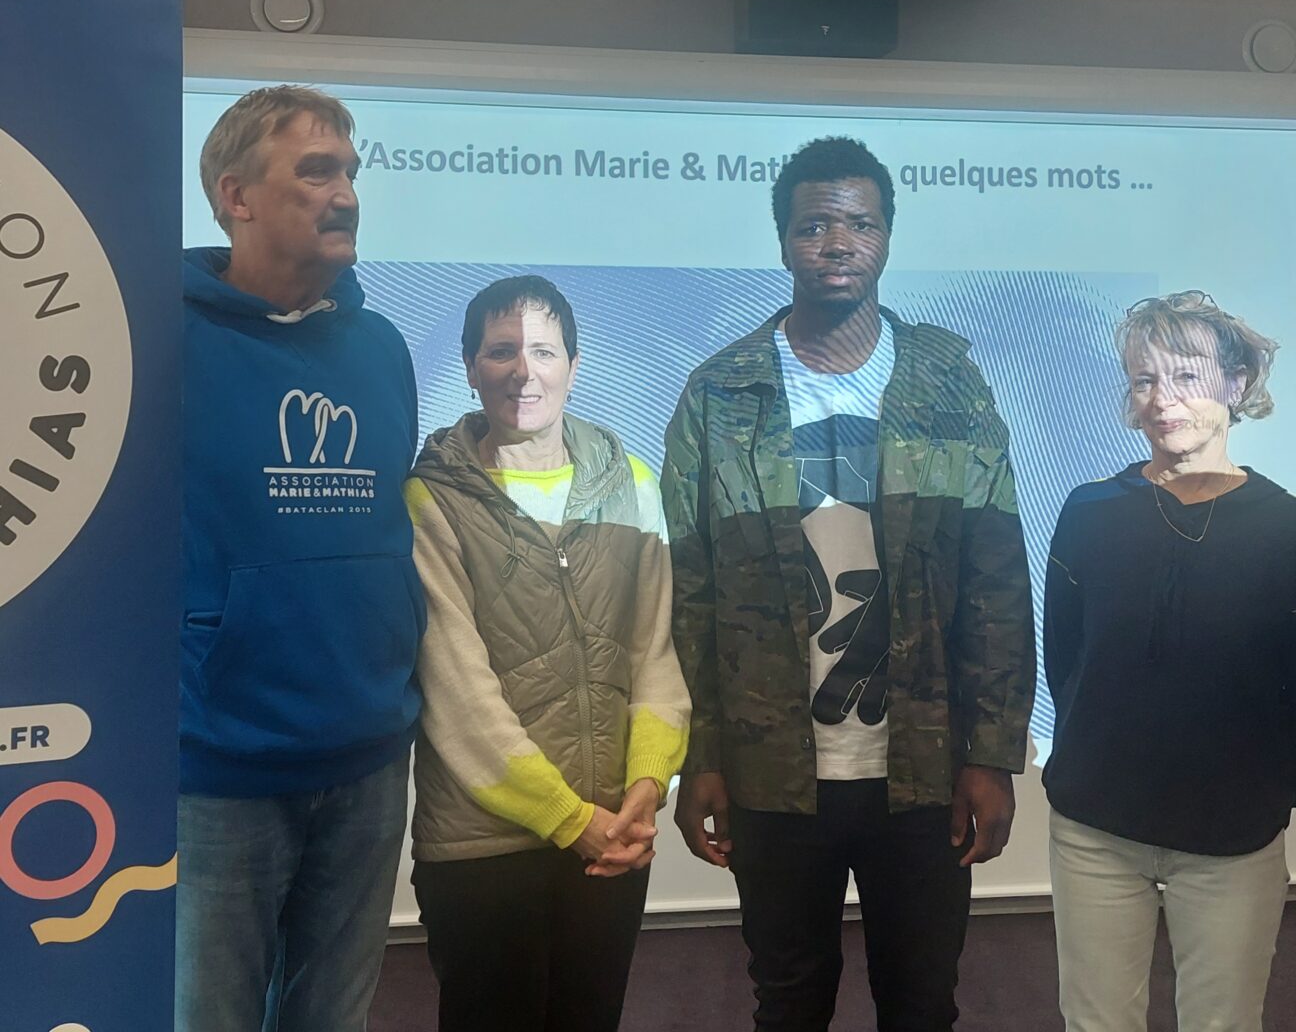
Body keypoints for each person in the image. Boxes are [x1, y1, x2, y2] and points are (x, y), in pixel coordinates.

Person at [662, 136, 1035, 1032]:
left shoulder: (949, 383)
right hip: (772, 768)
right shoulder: (720, 395)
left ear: (888, 237)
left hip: (924, 766)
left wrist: (992, 753)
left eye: (860, 224)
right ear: (784, 241)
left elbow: (994, 576)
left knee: (923, 1000)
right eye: (815, 226)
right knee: (788, 1000)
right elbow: (691, 592)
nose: (838, 243)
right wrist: (700, 754)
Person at [177, 86, 422, 1032]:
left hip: (367, 752)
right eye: (316, 172)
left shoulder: (382, 348)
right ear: (235, 196)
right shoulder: (158, 338)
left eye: (350, 173)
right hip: (219, 764)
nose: (346, 194)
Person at [403, 274, 691, 1032]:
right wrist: (568, 818)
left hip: (611, 838)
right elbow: (456, 694)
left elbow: (657, 655)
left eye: (543, 351)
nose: (523, 372)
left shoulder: (632, 485)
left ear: (574, 364)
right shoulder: (430, 500)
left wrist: (646, 786)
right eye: (501, 351)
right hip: (481, 850)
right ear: (470, 368)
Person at [1044, 291, 1294, 1032]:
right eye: (1143, 380)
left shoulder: (1286, 529)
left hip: (1231, 836)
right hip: (1095, 827)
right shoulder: (1087, 511)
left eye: (1186, 376)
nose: (1162, 399)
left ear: (1237, 383)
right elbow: (1066, 658)